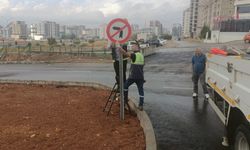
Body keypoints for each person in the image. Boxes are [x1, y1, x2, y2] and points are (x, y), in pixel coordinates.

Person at [119, 41, 145, 111]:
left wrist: (121, 50)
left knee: (125, 86)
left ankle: (125, 99)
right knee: (141, 90)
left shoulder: (135, 55)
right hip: (140, 76)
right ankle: (141, 105)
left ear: (137, 47)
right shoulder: (141, 55)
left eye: (133, 46)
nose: (132, 47)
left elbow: (127, 54)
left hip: (133, 76)